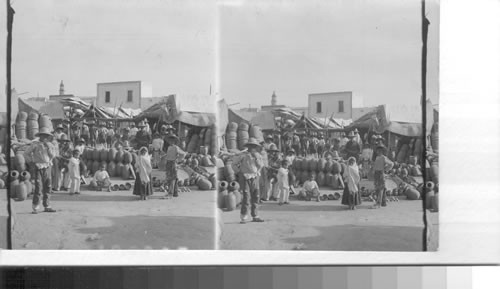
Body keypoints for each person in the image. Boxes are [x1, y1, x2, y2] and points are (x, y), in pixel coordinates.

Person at [23, 128, 57, 213]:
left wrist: (48, 148)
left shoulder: (50, 145)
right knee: (38, 187)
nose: (45, 137)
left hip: (48, 166)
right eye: (43, 135)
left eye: (46, 136)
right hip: (38, 167)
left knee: (48, 186)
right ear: (40, 136)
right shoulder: (35, 144)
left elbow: (53, 156)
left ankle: (47, 205)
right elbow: (26, 153)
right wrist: (31, 162)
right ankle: (35, 207)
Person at [234, 137, 264, 223]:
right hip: (245, 177)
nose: (252, 148)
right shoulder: (242, 155)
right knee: (246, 197)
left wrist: (256, 158)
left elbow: (261, 165)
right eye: (250, 146)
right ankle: (243, 217)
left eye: (254, 146)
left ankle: (255, 215)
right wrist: (239, 172)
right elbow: (234, 164)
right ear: (248, 146)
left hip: (255, 177)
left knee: (256, 197)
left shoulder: (258, 155)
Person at [372, 145, 394, 209]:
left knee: (380, 188)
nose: (378, 152)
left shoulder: (383, 157)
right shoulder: (377, 158)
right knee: (379, 188)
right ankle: (383, 202)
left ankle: (379, 203)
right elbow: (375, 166)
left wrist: (386, 169)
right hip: (376, 173)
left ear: (382, 151)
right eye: (378, 150)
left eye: (380, 150)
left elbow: (391, 164)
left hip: (381, 173)